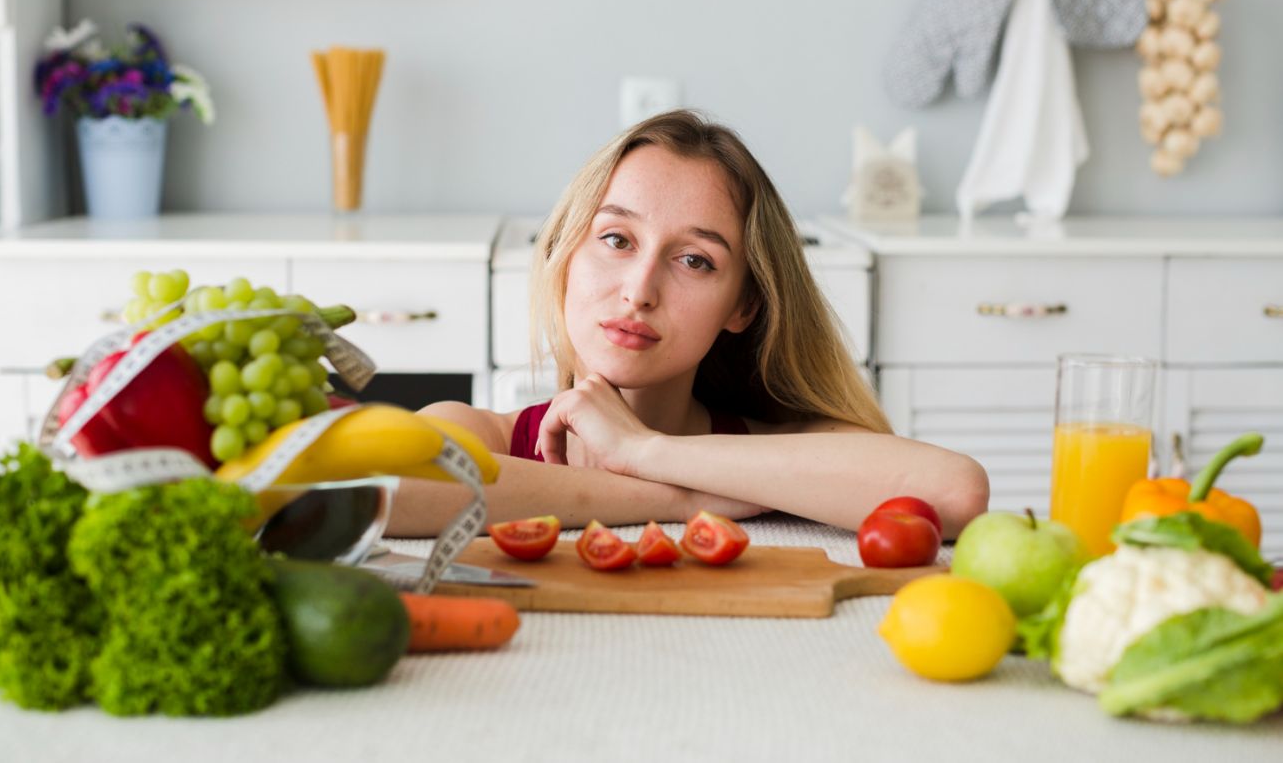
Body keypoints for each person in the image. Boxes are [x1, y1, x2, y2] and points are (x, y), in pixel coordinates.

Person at [389, 110, 988, 538]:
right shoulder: (484, 437)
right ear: (564, 253)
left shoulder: (781, 454)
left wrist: (643, 449)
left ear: (743, 306)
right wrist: (679, 495)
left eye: (695, 260)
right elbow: (377, 489)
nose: (639, 290)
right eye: (617, 239)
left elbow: (954, 492)